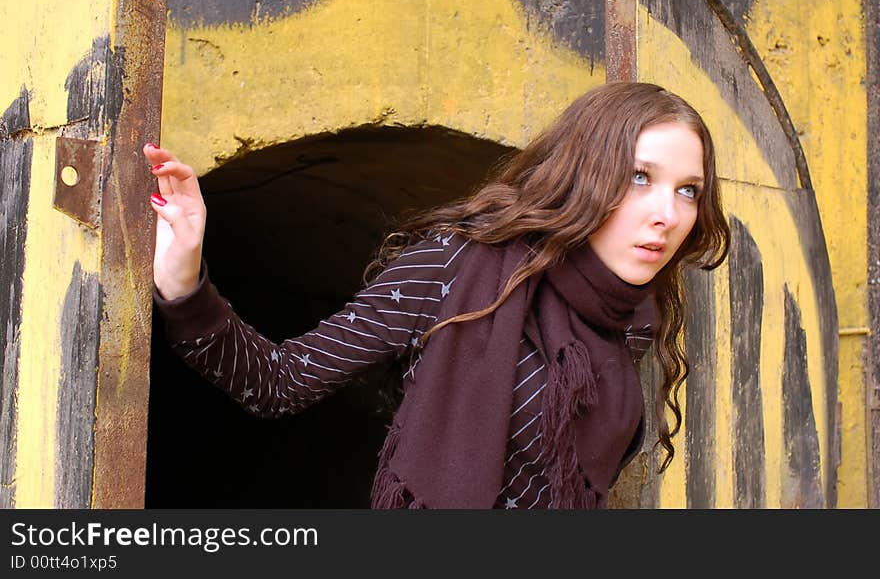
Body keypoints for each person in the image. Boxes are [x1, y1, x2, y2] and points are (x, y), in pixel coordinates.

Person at [143, 81, 730, 509]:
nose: (667, 215)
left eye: (688, 191)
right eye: (639, 177)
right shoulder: (460, 266)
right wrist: (184, 281)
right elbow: (279, 381)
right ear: (587, 171)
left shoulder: (631, 315)